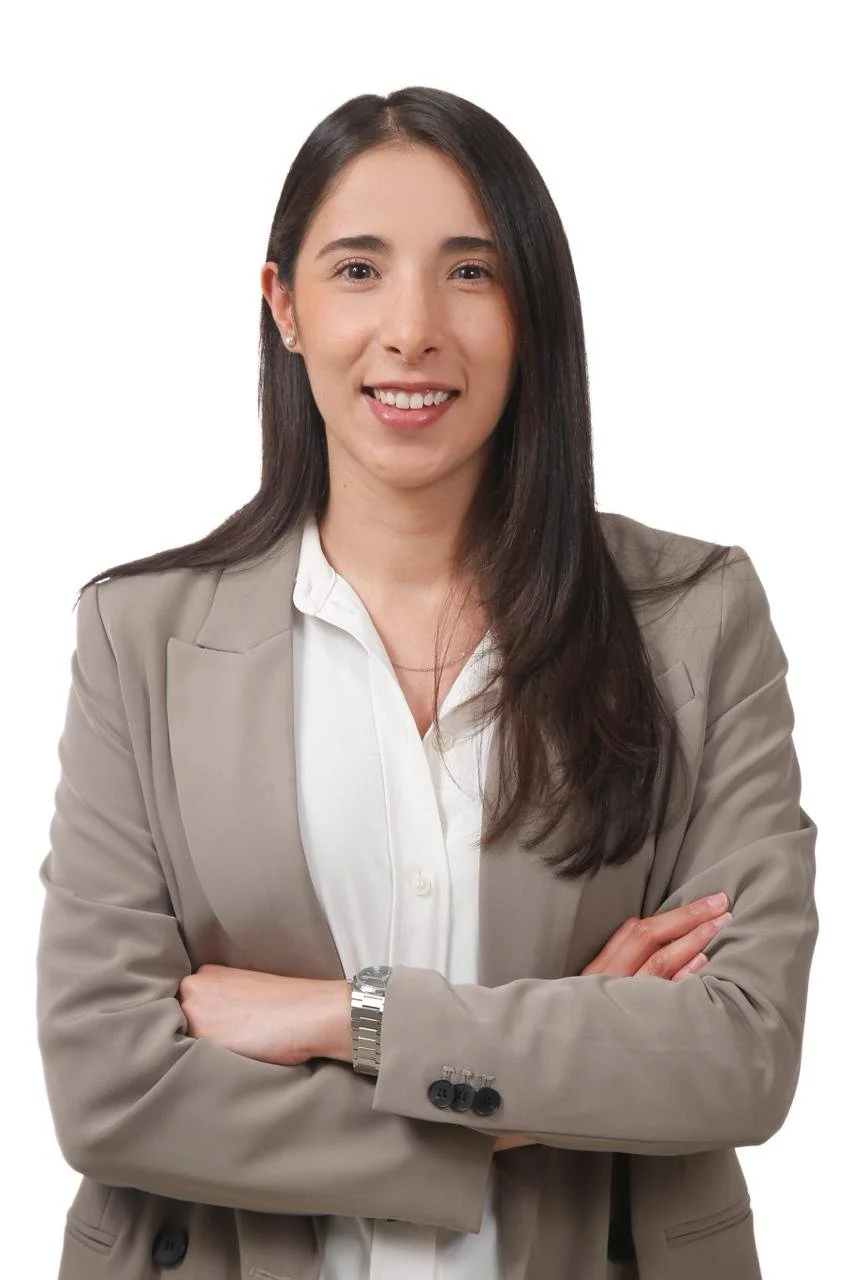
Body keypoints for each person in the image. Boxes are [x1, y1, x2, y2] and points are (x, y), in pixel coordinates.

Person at [36, 86, 818, 1280]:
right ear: (283, 306)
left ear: (531, 308)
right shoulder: (138, 636)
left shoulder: (693, 619)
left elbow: (735, 1053)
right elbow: (109, 1087)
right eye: (357, 270)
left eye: (468, 272)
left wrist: (343, 1018)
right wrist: (532, 1092)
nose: (410, 330)